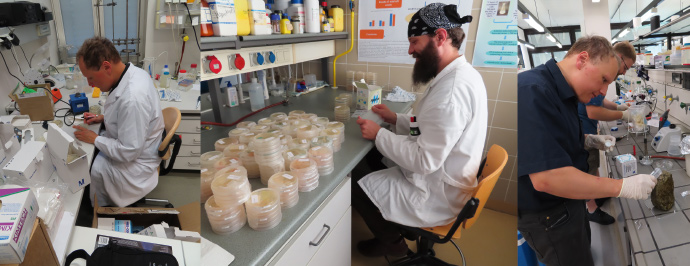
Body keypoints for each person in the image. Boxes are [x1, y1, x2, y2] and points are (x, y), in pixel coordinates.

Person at [353, 3, 484, 257]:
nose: (410, 50)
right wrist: (395, 119)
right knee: (372, 158)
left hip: (437, 194)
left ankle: (396, 246)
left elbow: (425, 160)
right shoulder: (456, 75)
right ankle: (395, 228)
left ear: (440, 37)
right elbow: (426, 129)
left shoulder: (452, 92)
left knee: (353, 180)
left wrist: (379, 134)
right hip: (444, 176)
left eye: (415, 41)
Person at [518, 35, 657, 266]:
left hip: (568, 203)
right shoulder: (532, 91)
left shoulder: (563, 92)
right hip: (549, 216)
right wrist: (622, 186)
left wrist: (586, 140)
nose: (603, 92)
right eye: (603, 80)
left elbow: (552, 140)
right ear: (582, 59)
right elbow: (547, 178)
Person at [72, 37, 165, 207]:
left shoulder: (132, 98)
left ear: (107, 66)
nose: (90, 84)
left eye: (91, 77)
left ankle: (98, 209)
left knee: (94, 166)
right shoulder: (133, 72)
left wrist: (95, 139)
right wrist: (105, 118)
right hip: (141, 144)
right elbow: (126, 114)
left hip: (136, 163)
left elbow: (128, 152)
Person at [578, 41, 637, 225]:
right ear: (618, 57)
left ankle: (595, 196)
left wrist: (619, 106)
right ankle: (592, 209)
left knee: (593, 165)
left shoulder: (603, 78)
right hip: (583, 129)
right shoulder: (600, 74)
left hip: (588, 127)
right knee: (588, 170)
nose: (625, 72)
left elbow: (601, 101)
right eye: (626, 66)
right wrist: (622, 114)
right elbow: (592, 111)